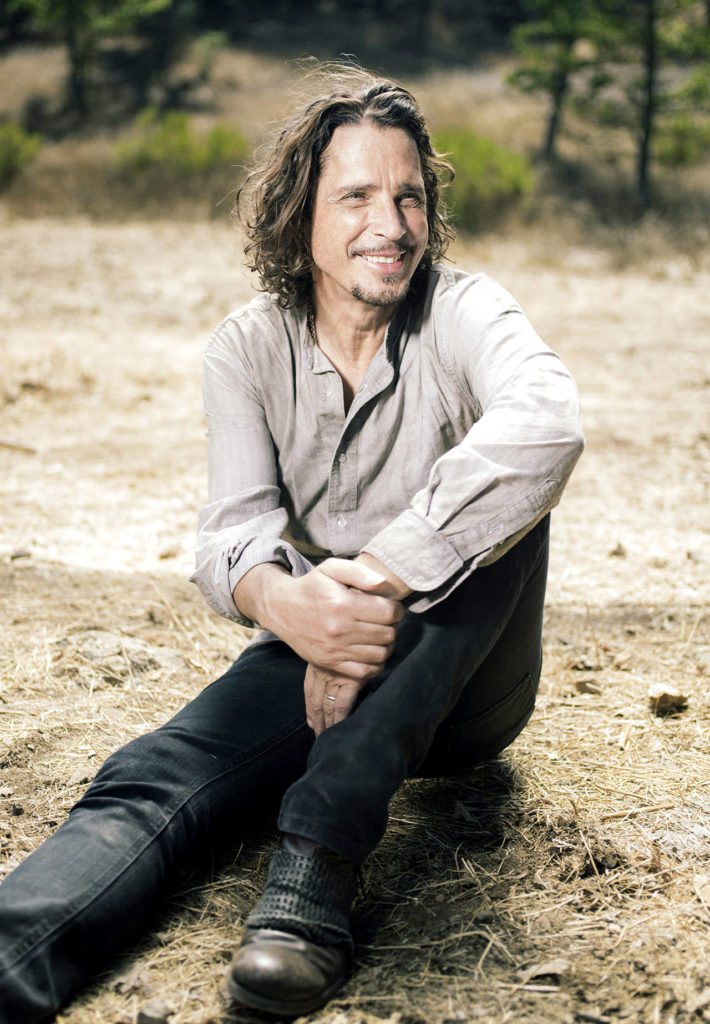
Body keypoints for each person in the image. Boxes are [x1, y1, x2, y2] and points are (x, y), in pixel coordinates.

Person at [0, 64, 583, 1022]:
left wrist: (381, 575)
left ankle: (316, 861)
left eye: (408, 196)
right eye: (356, 196)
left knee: (502, 500)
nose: (388, 224)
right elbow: (231, 534)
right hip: (322, 659)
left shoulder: (467, 310)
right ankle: (17, 950)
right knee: (162, 771)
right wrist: (289, 604)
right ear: (299, 217)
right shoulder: (246, 348)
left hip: (468, 691)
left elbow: (550, 420)